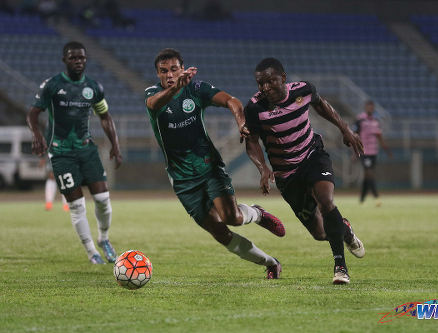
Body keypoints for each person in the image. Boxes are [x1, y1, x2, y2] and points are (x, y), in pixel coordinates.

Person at [145, 48, 285, 279]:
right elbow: (154, 104)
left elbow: (232, 100)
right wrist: (176, 87)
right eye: (163, 71)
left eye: (173, 69)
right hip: (182, 179)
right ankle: (270, 262)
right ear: (158, 74)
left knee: (233, 218)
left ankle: (257, 214)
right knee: (219, 232)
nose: (169, 75)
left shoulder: (196, 89)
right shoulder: (153, 94)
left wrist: (241, 123)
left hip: (209, 167)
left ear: (182, 69)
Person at [244, 58, 366, 284]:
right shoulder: (254, 108)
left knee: (326, 201)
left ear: (283, 78)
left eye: (270, 81)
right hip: (286, 174)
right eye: (261, 83)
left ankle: (340, 268)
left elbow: (321, 105)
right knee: (321, 233)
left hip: (312, 156)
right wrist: (263, 168)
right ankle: (345, 230)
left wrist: (345, 129)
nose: (265, 88)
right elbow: (251, 141)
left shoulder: (303, 90)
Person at [27, 41, 122, 265]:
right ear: (65, 60)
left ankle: (104, 239)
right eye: (73, 58)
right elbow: (32, 113)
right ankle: (92, 252)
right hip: (60, 153)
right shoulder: (51, 85)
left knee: (103, 199)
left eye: (82, 58)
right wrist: (37, 135)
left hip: (86, 149)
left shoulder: (94, 87)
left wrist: (115, 145)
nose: (78, 61)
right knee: (77, 205)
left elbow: (105, 117)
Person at [353, 100, 392, 206]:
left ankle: (362, 198)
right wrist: (354, 152)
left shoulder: (376, 120)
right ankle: (376, 197)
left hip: (374, 152)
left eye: (372, 107)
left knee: (367, 176)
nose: (370, 108)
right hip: (364, 151)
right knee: (369, 173)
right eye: (369, 107)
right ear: (365, 107)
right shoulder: (360, 120)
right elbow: (354, 136)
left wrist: (386, 149)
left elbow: (379, 136)